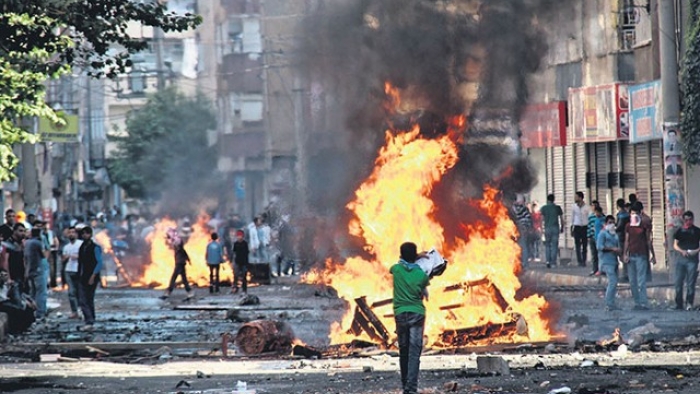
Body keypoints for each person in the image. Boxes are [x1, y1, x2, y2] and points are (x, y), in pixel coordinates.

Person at [391, 242, 430, 394]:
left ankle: (404, 384)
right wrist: (419, 257)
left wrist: (414, 256)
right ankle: (411, 389)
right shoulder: (421, 274)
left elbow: (401, 262)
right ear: (414, 257)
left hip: (400, 314)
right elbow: (424, 287)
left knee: (404, 351)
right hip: (417, 315)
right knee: (414, 352)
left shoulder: (396, 270)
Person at [624, 201, 655, 310]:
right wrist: (625, 254)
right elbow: (627, 241)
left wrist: (653, 254)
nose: (633, 216)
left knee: (641, 281)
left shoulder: (644, 225)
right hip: (631, 255)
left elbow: (648, 241)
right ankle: (637, 302)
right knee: (632, 281)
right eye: (632, 214)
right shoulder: (628, 226)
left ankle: (643, 303)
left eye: (635, 213)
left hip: (641, 255)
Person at [672, 211, 700, 311]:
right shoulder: (679, 231)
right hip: (681, 259)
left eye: (690, 220)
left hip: (692, 260)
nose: (688, 222)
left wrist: (696, 251)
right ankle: (679, 304)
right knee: (678, 283)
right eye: (686, 220)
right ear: (684, 220)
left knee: (690, 283)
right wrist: (682, 251)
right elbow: (675, 245)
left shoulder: (697, 231)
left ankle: (689, 303)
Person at [77, 226, 103, 330]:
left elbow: (99, 263)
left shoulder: (95, 247)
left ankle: (89, 320)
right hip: (83, 276)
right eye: (83, 234)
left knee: (86, 299)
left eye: (86, 234)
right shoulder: (82, 247)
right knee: (85, 299)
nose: (84, 236)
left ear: (90, 235)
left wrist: (93, 275)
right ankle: (90, 320)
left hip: (91, 276)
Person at [160, 227, 194, 300]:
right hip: (181, 262)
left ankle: (168, 293)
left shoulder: (177, 241)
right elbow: (183, 250)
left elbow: (181, 249)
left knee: (174, 278)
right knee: (184, 279)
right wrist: (188, 259)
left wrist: (188, 259)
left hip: (179, 263)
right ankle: (190, 292)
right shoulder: (177, 241)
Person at [597, 215, 621, 311]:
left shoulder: (615, 235)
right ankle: (609, 303)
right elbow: (600, 247)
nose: (612, 225)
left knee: (614, 283)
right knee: (613, 282)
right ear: (606, 223)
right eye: (610, 222)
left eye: (613, 223)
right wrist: (612, 249)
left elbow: (618, 247)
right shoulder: (602, 234)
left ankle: (612, 303)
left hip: (614, 261)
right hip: (606, 262)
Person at [25, 227, 47, 320]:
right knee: (41, 292)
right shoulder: (37, 243)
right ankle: (40, 312)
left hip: (29, 270)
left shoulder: (27, 242)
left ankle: (32, 312)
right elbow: (43, 255)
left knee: (32, 292)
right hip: (38, 269)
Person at [61, 226, 83, 319]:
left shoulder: (81, 244)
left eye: (73, 232)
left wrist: (78, 256)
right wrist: (65, 258)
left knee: (80, 291)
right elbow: (62, 259)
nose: (71, 234)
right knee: (71, 292)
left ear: (77, 234)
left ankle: (81, 310)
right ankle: (74, 311)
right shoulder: (66, 247)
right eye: (69, 232)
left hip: (79, 270)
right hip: (68, 270)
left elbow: (85, 256)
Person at [540, 194, 564, 268]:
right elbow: (561, 219)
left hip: (547, 228)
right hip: (555, 228)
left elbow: (542, 219)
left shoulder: (544, 208)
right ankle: (553, 262)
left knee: (547, 245)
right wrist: (562, 227)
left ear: (547, 200)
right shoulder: (557, 208)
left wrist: (542, 228)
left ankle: (548, 261)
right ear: (554, 199)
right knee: (554, 245)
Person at [0, 223, 27, 290]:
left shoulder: (22, 244)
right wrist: (8, 278)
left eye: (24, 231)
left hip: (21, 276)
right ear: (14, 231)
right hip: (13, 277)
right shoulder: (8, 244)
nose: (23, 233)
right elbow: (5, 262)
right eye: (20, 231)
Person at [512, 196, 533, 269]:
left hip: (517, 228)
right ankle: (524, 264)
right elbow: (529, 219)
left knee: (519, 246)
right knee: (523, 246)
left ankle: (520, 263)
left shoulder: (513, 208)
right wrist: (529, 228)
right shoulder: (525, 209)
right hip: (523, 228)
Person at [570, 191, 590, 267]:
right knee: (577, 245)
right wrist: (571, 228)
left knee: (584, 245)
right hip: (577, 227)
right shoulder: (573, 207)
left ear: (580, 198)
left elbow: (589, 217)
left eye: (576, 197)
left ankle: (584, 260)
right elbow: (572, 218)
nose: (575, 198)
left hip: (585, 227)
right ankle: (579, 261)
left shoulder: (587, 207)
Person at [615, 199, 631, 283]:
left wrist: (614, 229)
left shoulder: (622, 215)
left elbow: (619, 226)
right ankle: (626, 274)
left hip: (621, 237)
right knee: (625, 255)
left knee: (623, 255)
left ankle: (626, 274)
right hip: (627, 237)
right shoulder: (627, 214)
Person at [231, 230, 250, 294]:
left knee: (244, 276)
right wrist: (233, 262)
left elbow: (247, 253)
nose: (239, 237)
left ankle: (244, 290)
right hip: (237, 262)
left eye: (240, 236)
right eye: (238, 236)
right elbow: (234, 253)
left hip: (244, 262)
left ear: (243, 236)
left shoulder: (245, 244)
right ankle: (235, 288)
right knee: (235, 276)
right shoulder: (235, 244)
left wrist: (247, 263)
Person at [588, 205, 605, 276]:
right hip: (594, 238)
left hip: (601, 239)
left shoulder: (603, 219)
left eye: (597, 212)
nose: (596, 214)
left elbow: (604, 227)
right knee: (594, 255)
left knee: (601, 255)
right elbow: (590, 227)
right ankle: (595, 269)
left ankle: (601, 269)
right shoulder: (595, 219)